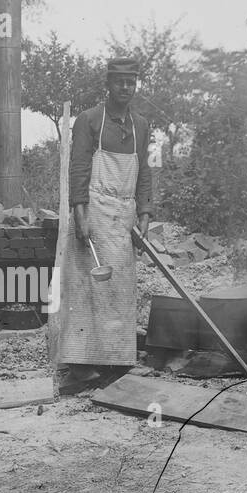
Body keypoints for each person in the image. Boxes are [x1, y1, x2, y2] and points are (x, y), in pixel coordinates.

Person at [56, 57, 153, 393]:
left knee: (118, 291)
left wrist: (144, 215)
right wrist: (80, 215)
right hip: (93, 212)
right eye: (119, 82)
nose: (125, 88)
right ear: (108, 84)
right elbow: (79, 169)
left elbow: (144, 174)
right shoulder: (89, 120)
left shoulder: (141, 125)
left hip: (123, 216)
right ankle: (80, 367)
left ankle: (114, 364)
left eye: (131, 82)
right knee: (85, 289)